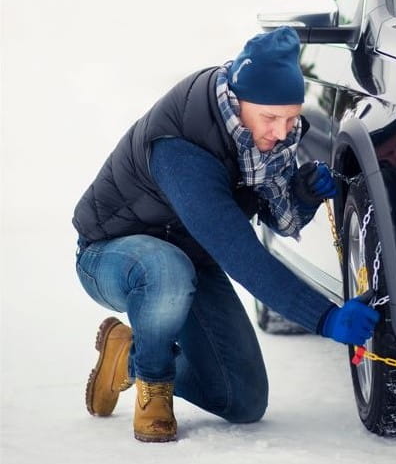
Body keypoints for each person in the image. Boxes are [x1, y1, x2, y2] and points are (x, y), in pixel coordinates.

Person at [73, 26, 380, 443]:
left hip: (191, 259)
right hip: (111, 256)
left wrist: (303, 195)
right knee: (167, 268)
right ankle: (154, 385)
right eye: (270, 118)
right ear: (238, 101)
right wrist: (324, 317)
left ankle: (127, 356)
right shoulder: (182, 144)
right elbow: (239, 252)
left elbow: (281, 222)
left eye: (291, 118)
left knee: (243, 399)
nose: (281, 131)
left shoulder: (266, 142)